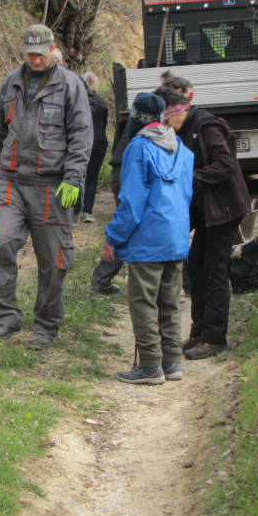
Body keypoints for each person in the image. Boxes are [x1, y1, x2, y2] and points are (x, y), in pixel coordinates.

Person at [0, 24, 93, 350]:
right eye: (30, 55)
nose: (36, 60)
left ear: (52, 49)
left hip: (52, 185)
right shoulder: (11, 83)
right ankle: (7, 316)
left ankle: (45, 326)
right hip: (12, 181)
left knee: (53, 261)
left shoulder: (70, 85)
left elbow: (82, 137)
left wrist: (73, 178)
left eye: (40, 54)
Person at [102, 93, 193, 384]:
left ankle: (150, 366)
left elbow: (131, 203)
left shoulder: (138, 148)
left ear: (136, 117)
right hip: (177, 238)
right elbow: (187, 195)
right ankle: (172, 363)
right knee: (169, 302)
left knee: (143, 302)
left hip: (147, 240)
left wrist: (113, 237)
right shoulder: (181, 148)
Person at [159, 87, 251, 360]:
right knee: (196, 267)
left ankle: (215, 338)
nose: (164, 126)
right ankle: (198, 332)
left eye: (166, 119)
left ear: (178, 111)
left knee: (214, 269)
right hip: (205, 210)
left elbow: (225, 166)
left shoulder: (208, 126)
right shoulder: (184, 129)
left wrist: (188, 178)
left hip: (224, 208)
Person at [89, 90, 162, 294]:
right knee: (128, 223)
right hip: (129, 168)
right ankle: (102, 280)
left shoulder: (135, 112)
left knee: (127, 223)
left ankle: (102, 280)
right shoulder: (153, 122)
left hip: (120, 166)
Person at [74, 72, 109, 223]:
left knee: (78, 176)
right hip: (99, 141)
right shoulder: (101, 102)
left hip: (81, 141)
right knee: (92, 177)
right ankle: (87, 211)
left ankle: (75, 210)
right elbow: (105, 122)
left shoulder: (78, 101)